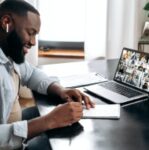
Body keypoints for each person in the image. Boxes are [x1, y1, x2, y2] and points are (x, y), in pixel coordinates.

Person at [0, 0, 94, 149]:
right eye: (30, 33)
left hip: (11, 122)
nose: (33, 42)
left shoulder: (9, 52)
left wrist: (60, 90)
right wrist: (49, 121)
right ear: (6, 22)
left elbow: (31, 74)